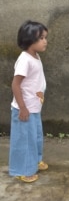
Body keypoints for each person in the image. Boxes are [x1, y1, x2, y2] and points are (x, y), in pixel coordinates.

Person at [9, 20, 49, 183]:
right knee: (24, 140)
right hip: (23, 110)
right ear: (29, 40)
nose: (45, 41)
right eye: (41, 38)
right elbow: (15, 84)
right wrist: (23, 108)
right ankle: (22, 170)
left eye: (45, 37)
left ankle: (34, 161)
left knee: (35, 136)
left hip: (34, 107)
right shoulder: (25, 59)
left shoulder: (35, 56)